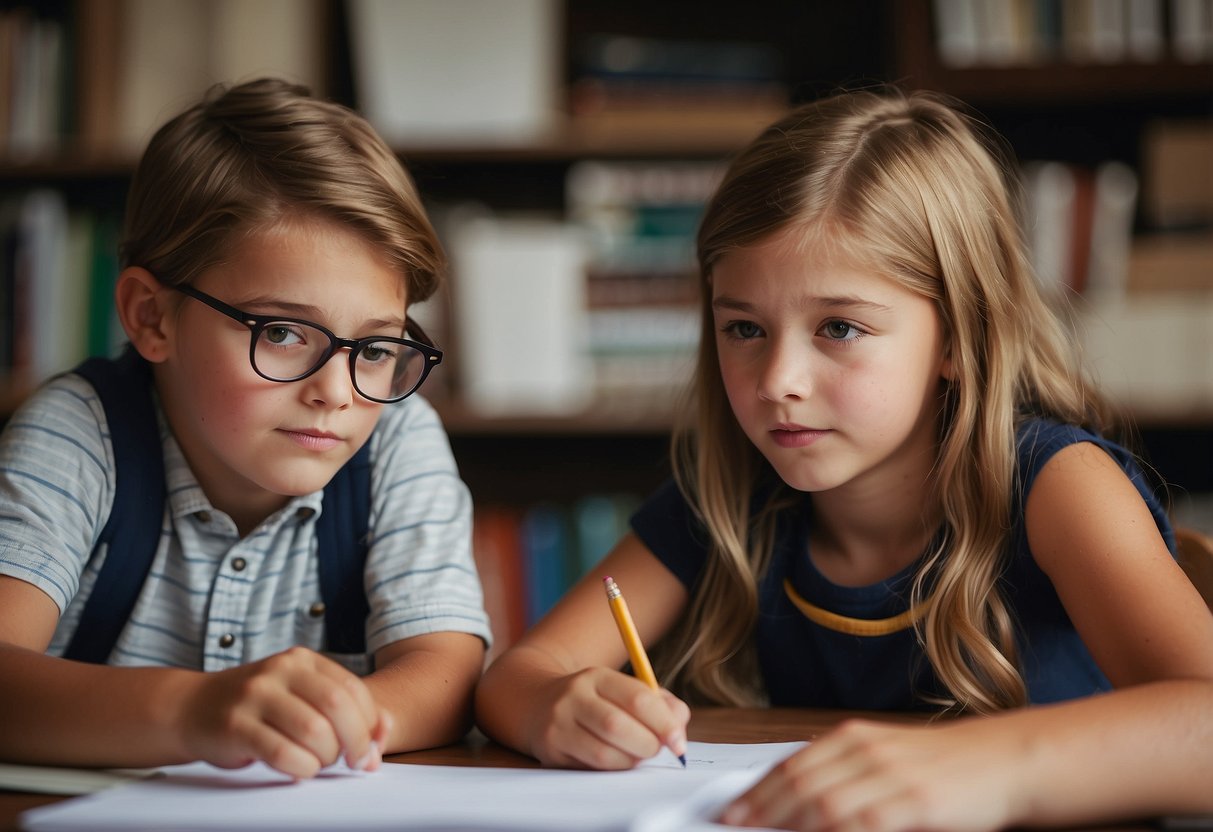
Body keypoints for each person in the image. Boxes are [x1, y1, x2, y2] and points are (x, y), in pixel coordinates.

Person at [474, 88, 1213, 828]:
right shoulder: (728, 500)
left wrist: (990, 764)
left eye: (838, 327)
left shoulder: (1058, 487)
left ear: (958, 337)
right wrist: (553, 707)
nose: (777, 383)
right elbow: (516, 677)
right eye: (743, 329)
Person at [0, 78, 490, 779]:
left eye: (376, 349)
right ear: (151, 317)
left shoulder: (396, 440)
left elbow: (446, 675)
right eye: (285, 332)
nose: (334, 392)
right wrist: (194, 713)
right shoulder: (81, 434)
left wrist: (317, 727)